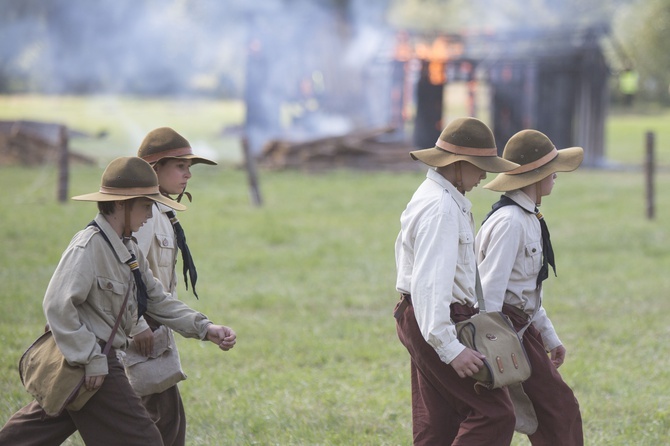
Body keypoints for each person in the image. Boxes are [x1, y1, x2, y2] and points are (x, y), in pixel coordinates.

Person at [0, 157, 236, 446]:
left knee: (29, 435)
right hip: (89, 362)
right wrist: (91, 359)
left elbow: (156, 299)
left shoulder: (128, 247)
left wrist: (205, 328)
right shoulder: (88, 246)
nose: (150, 216)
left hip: (93, 363)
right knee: (145, 440)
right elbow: (57, 305)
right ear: (122, 205)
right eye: (146, 206)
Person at [393, 117, 520, 445]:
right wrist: (451, 348)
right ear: (460, 164)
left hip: (429, 319)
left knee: (439, 424)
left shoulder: (440, 197)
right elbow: (429, 285)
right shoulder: (442, 210)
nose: (485, 176)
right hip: (439, 320)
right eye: (481, 167)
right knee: (495, 415)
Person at [475, 129, 584, 445]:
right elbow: (490, 293)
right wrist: (493, 351)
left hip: (523, 330)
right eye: (551, 170)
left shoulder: (526, 217)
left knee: (553, 411)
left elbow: (525, 292)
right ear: (535, 175)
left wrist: (549, 336)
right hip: (508, 335)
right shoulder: (510, 222)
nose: (556, 176)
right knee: (557, 410)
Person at [126, 127, 217, 446]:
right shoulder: (145, 215)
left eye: (189, 167)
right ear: (154, 169)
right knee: (166, 423)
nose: (188, 174)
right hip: (137, 334)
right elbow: (124, 272)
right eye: (180, 166)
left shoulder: (162, 212)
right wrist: (137, 325)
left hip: (153, 330)